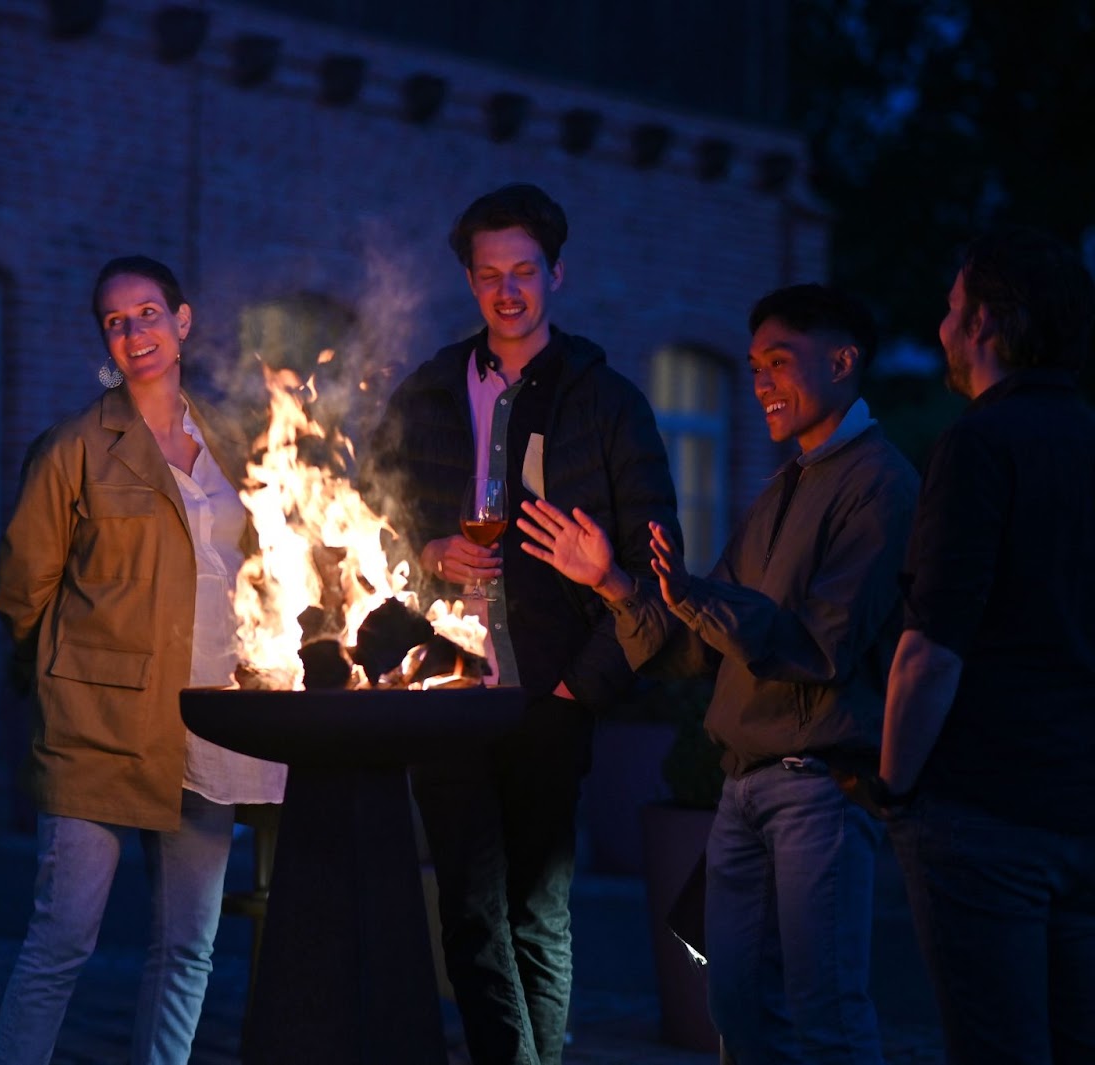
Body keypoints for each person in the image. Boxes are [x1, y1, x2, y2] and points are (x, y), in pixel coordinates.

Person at [518, 283, 917, 1063]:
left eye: (779, 361)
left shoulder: (880, 483)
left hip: (819, 791)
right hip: (742, 787)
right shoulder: (781, 491)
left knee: (826, 1011)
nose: (760, 381)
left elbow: (819, 646)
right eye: (753, 364)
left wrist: (694, 594)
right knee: (736, 1006)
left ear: (843, 361)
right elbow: (695, 650)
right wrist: (612, 582)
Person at [365, 183, 679, 1063]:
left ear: (556, 274)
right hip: (448, 690)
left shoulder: (607, 402)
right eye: (490, 274)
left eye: (525, 272)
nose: (509, 291)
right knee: (469, 913)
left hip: (553, 688)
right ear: (469, 281)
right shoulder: (427, 393)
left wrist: (585, 684)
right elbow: (366, 522)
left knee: (537, 914)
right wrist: (428, 553)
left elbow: (659, 562)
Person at [0, 255, 285, 1065]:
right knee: (62, 941)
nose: (134, 332)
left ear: (182, 322)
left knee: (188, 946)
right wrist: (83, 675)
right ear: (106, 342)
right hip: (101, 725)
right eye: (116, 322)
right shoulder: (74, 449)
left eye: (148, 313)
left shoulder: (237, 440)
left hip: (214, 719)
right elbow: (22, 593)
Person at [872, 229, 1095, 1065]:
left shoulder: (978, 445)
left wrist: (894, 788)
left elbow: (931, 648)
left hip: (986, 812)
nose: (940, 329)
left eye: (952, 310)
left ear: (988, 325)